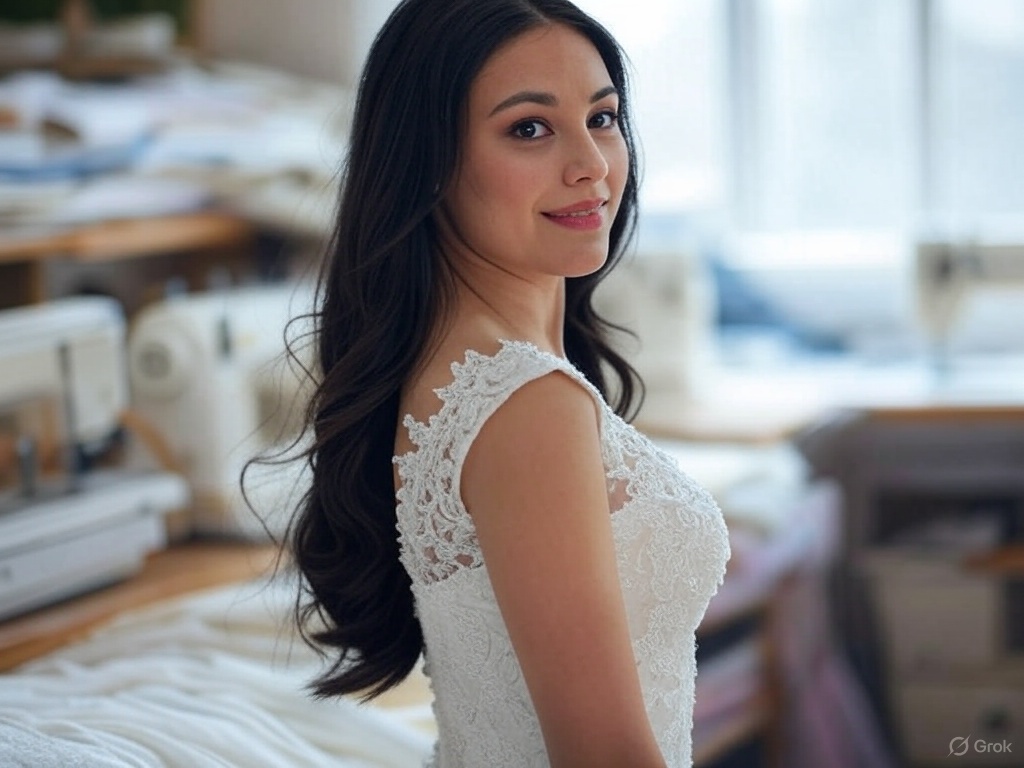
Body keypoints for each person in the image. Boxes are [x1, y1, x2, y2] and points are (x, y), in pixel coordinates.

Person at [284, 0, 730, 765]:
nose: (590, 163)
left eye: (603, 117)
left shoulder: (454, 368)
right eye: (529, 128)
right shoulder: (527, 406)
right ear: (426, 159)